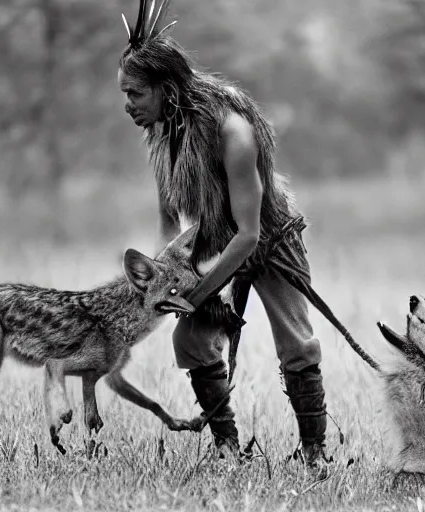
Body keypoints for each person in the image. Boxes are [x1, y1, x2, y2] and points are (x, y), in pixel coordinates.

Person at [116, 1, 329, 477]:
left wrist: (198, 290)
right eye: (125, 94)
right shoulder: (161, 134)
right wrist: (164, 282)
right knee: (189, 340)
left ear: (166, 89)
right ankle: (228, 447)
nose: (127, 105)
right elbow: (170, 225)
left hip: (269, 241)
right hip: (213, 243)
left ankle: (315, 454)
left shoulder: (232, 130)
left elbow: (250, 234)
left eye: (134, 94)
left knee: (296, 343)